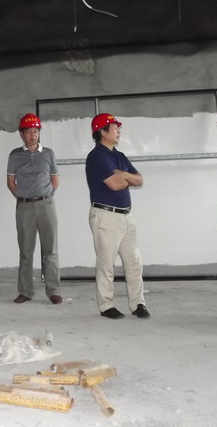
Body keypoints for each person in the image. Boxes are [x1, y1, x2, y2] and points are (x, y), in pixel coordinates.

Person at [85, 113, 149, 320]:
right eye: (114, 127)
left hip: (126, 216)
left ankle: (138, 304)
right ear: (102, 132)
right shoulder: (97, 157)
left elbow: (139, 179)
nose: (118, 131)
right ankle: (106, 305)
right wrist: (124, 178)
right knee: (106, 264)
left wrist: (124, 175)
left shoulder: (119, 156)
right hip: (106, 216)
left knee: (134, 262)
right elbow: (114, 184)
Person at [7, 113, 62, 305]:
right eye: (29, 131)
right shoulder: (15, 155)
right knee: (25, 251)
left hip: (46, 205)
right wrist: (24, 195)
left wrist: (44, 194)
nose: (33, 135)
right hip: (24, 207)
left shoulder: (48, 154)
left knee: (51, 250)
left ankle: (54, 291)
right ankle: (25, 291)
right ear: (22, 134)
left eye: (36, 131)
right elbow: (11, 182)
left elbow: (55, 179)